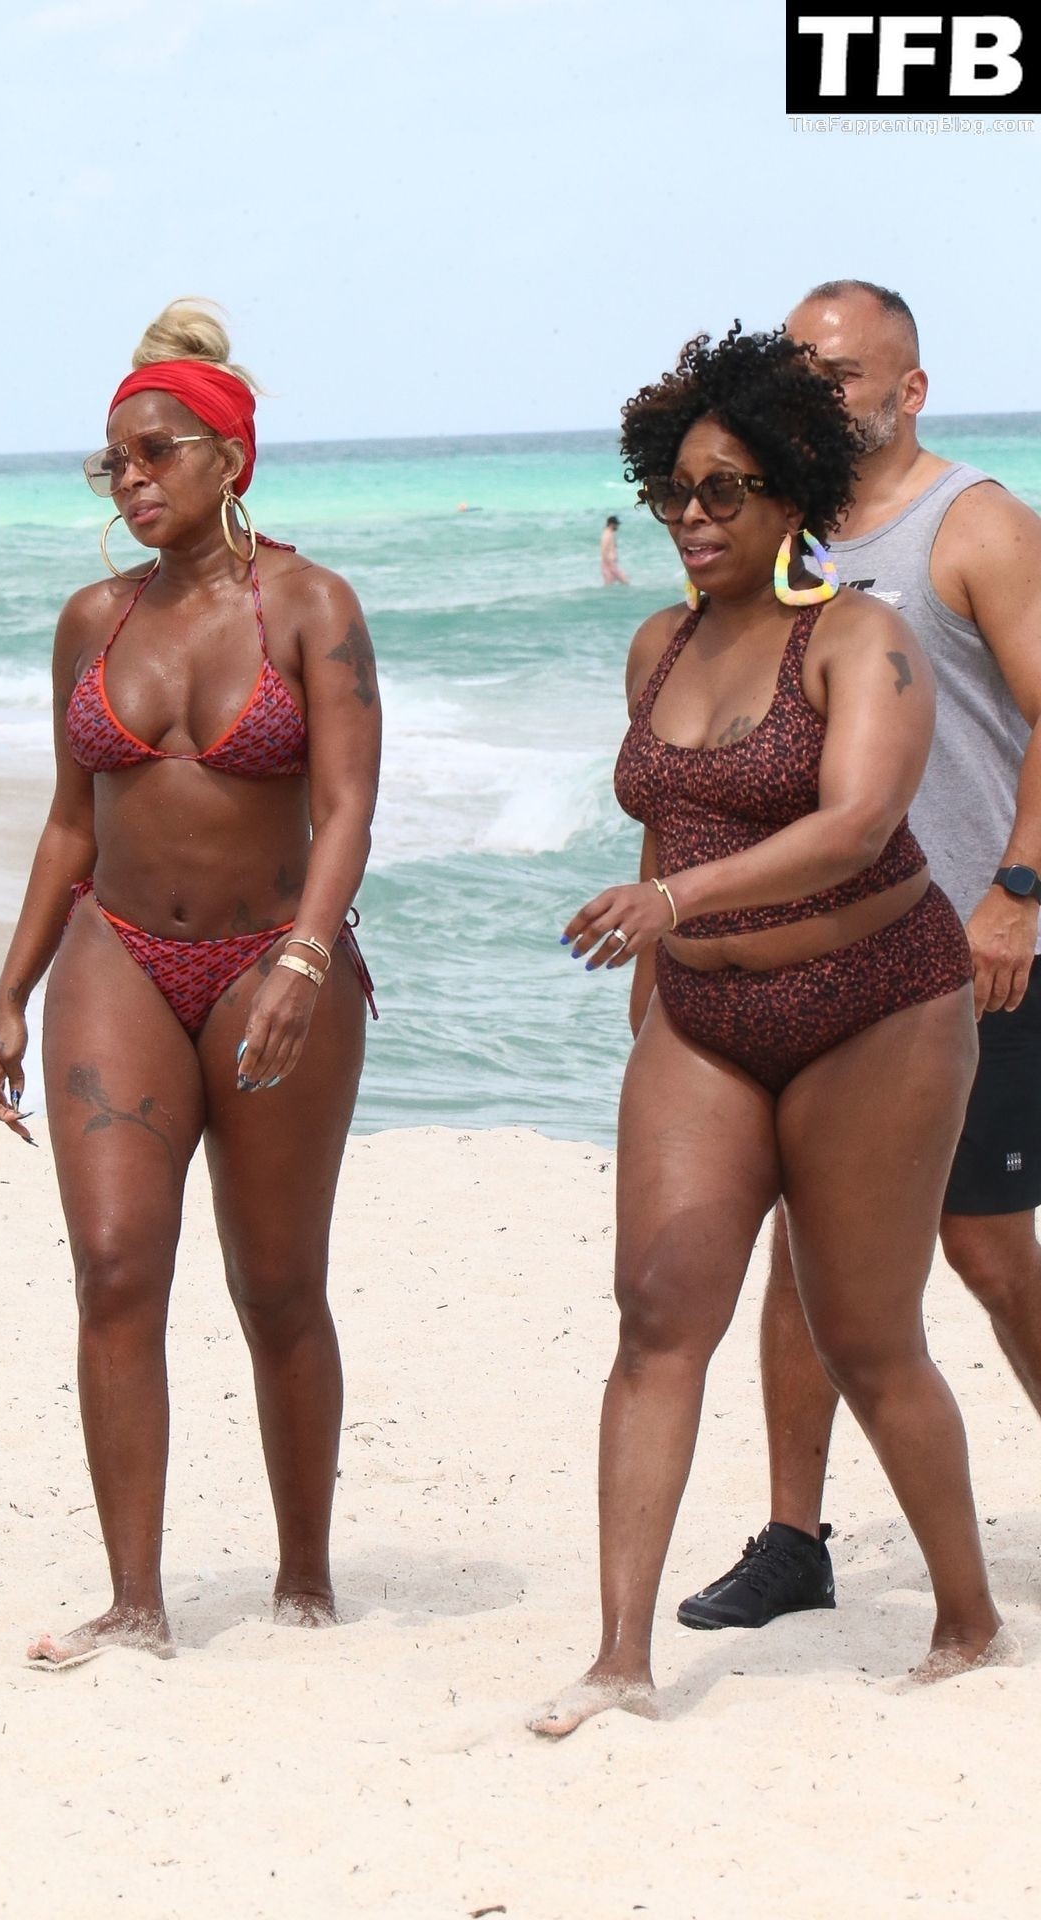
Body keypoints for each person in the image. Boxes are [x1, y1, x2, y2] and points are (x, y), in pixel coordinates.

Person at [529, 324, 1014, 1739]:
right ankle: (619, 1659)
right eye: (671, 491)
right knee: (657, 1311)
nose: (691, 517)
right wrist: (656, 980)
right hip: (705, 1019)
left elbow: (855, 823)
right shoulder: (657, 645)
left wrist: (671, 899)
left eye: (723, 490)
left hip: (878, 1005)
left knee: (867, 1337)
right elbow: (668, 817)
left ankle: (967, 1619)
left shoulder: (860, 638)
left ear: (791, 492)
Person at [0, 299, 381, 1667]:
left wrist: (307, 959)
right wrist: (11, 987)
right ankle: (134, 1602)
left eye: (159, 452)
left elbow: (348, 806)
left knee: (276, 1284)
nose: (133, 479)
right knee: (112, 1269)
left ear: (231, 458)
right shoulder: (92, 622)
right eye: (116, 461)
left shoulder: (312, 606)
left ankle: (305, 1575)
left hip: (275, 954)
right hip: (119, 955)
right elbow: (69, 821)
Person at [678, 280, 1041, 1631]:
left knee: (987, 1253)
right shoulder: (782, 533)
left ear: (910, 389)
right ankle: (794, 1538)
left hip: (973, 951)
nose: (817, 393)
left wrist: (1015, 896)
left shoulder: (973, 524)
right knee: (804, 1248)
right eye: (799, 371)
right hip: (818, 960)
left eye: (840, 373)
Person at [600, 515, 629, 586]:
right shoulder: (607, 534)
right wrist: (608, 563)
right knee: (625, 580)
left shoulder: (610, 533)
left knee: (609, 583)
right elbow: (604, 549)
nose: (617, 526)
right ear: (611, 524)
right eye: (616, 524)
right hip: (609, 563)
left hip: (609, 563)